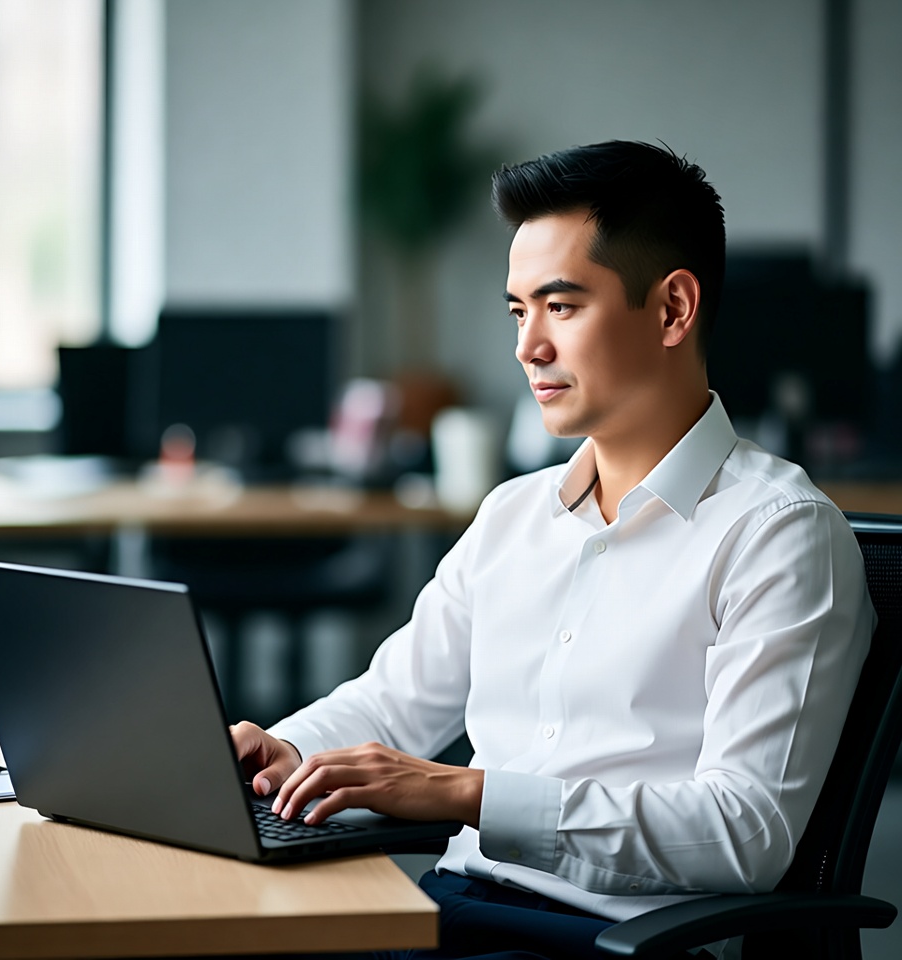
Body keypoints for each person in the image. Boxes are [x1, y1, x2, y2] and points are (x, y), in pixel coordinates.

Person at [230, 141, 875, 960]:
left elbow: (744, 831)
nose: (527, 346)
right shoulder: (513, 515)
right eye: (517, 310)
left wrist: (470, 794)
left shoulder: (779, 534)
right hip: (453, 910)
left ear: (674, 309)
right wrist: (288, 751)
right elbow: (393, 703)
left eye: (561, 307)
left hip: (621, 944)